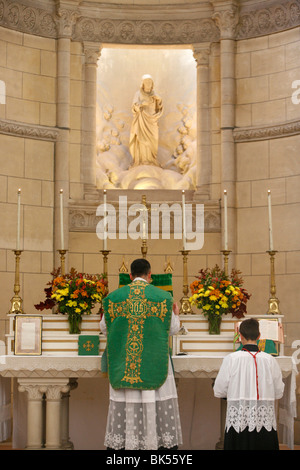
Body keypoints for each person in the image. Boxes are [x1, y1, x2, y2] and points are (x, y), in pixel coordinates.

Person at [100, 258, 182, 450]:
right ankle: (157, 449)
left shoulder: (114, 298)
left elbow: (105, 328)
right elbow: (172, 329)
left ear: (130, 276)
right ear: (150, 275)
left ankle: (127, 449)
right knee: (155, 403)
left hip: (124, 363)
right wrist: (176, 314)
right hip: (155, 362)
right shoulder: (163, 297)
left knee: (127, 404)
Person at [213, 318, 284, 450]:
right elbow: (279, 391)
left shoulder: (231, 359)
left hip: (238, 421)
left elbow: (219, 390)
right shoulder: (270, 360)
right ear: (259, 336)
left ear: (240, 336)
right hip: (264, 419)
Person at [129, 75, 163, 167]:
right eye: (146, 82)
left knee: (153, 139)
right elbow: (134, 107)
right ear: (142, 84)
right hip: (142, 119)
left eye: (150, 82)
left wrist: (159, 100)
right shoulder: (138, 94)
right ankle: (142, 161)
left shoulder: (155, 95)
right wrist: (140, 105)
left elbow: (159, 108)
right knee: (142, 140)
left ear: (152, 84)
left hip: (152, 121)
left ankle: (152, 159)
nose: (148, 84)